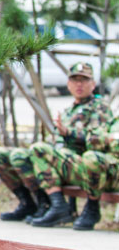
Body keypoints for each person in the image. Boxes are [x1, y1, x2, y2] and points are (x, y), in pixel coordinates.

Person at [27, 62, 113, 228]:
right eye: (75, 80)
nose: (79, 84)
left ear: (93, 84)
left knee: (40, 150)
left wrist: (69, 133)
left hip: (89, 165)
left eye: (84, 80)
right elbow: (57, 139)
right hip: (70, 162)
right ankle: (46, 205)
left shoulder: (100, 108)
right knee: (26, 154)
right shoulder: (68, 111)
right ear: (68, 84)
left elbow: (98, 141)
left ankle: (63, 206)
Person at [76, 120, 119, 230]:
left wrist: (110, 139)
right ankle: (90, 208)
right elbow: (92, 142)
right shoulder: (114, 121)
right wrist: (109, 139)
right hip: (111, 169)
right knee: (89, 158)